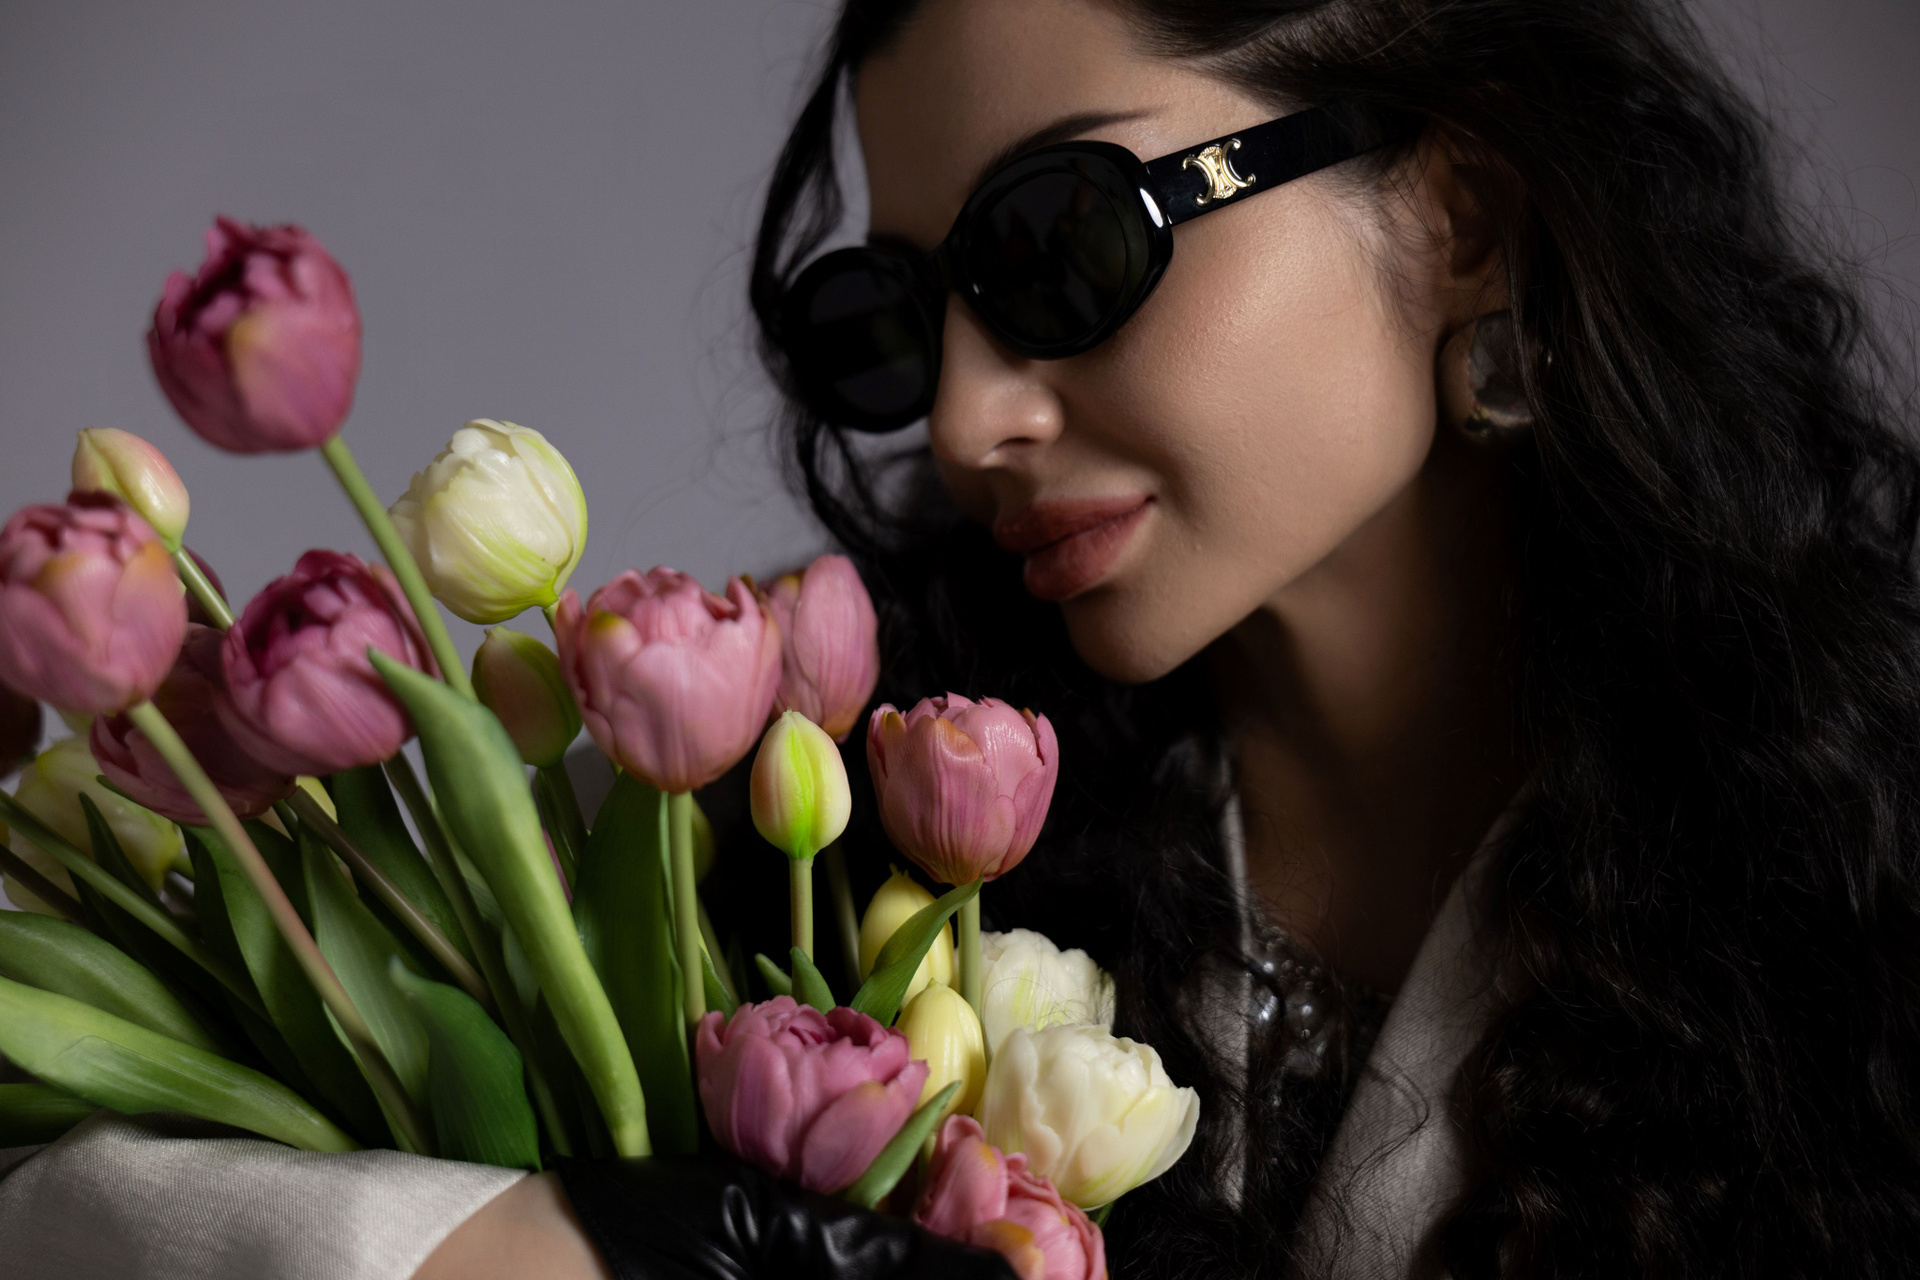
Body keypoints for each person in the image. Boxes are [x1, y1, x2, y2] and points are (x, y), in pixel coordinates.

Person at [4, 0, 1916, 1276]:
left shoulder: (1861, 865)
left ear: (1464, 216)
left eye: (1065, 246)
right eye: (896, 323)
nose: (965, 417)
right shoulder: (797, 824)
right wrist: (547, 1249)